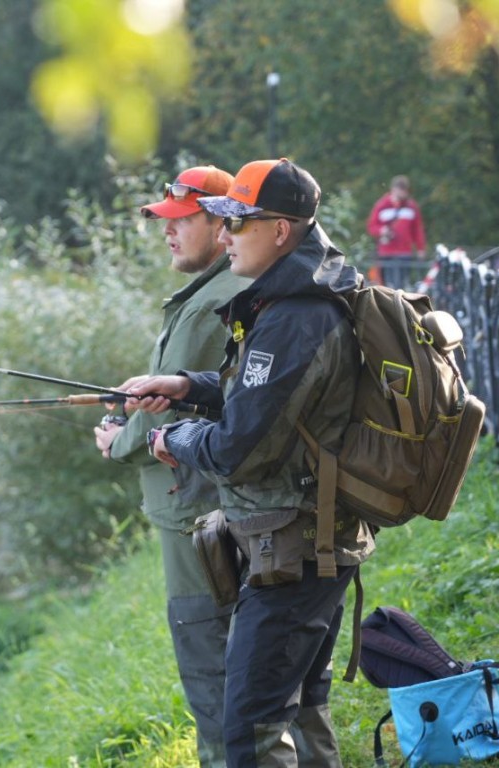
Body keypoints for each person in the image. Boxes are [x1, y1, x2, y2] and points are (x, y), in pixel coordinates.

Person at [129, 158, 376, 767]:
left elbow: (237, 448)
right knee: (298, 707)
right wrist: (192, 386)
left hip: (292, 555)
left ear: (280, 231)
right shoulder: (308, 292)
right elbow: (274, 403)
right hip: (316, 542)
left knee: (251, 733)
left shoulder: (295, 316)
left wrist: (173, 440)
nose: (227, 235)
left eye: (239, 224)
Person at [93, 164, 250, 768]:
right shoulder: (217, 290)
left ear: (221, 223)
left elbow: (169, 415)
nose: (168, 233)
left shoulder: (209, 300)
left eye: (182, 221)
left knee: (208, 658)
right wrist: (127, 417)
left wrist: (117, 441)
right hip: (206, 499)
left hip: (194, 509)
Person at [365, 174, 427, 289]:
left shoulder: (411, 207)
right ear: (393, 189)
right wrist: (382, 230)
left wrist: (420, 248)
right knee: (387, 285)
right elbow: (371, 227)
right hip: (386, 253)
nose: (403, 194)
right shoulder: (382, 205)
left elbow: (418, 230)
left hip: (404, 253)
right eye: (401, 190)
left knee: (401, 285)